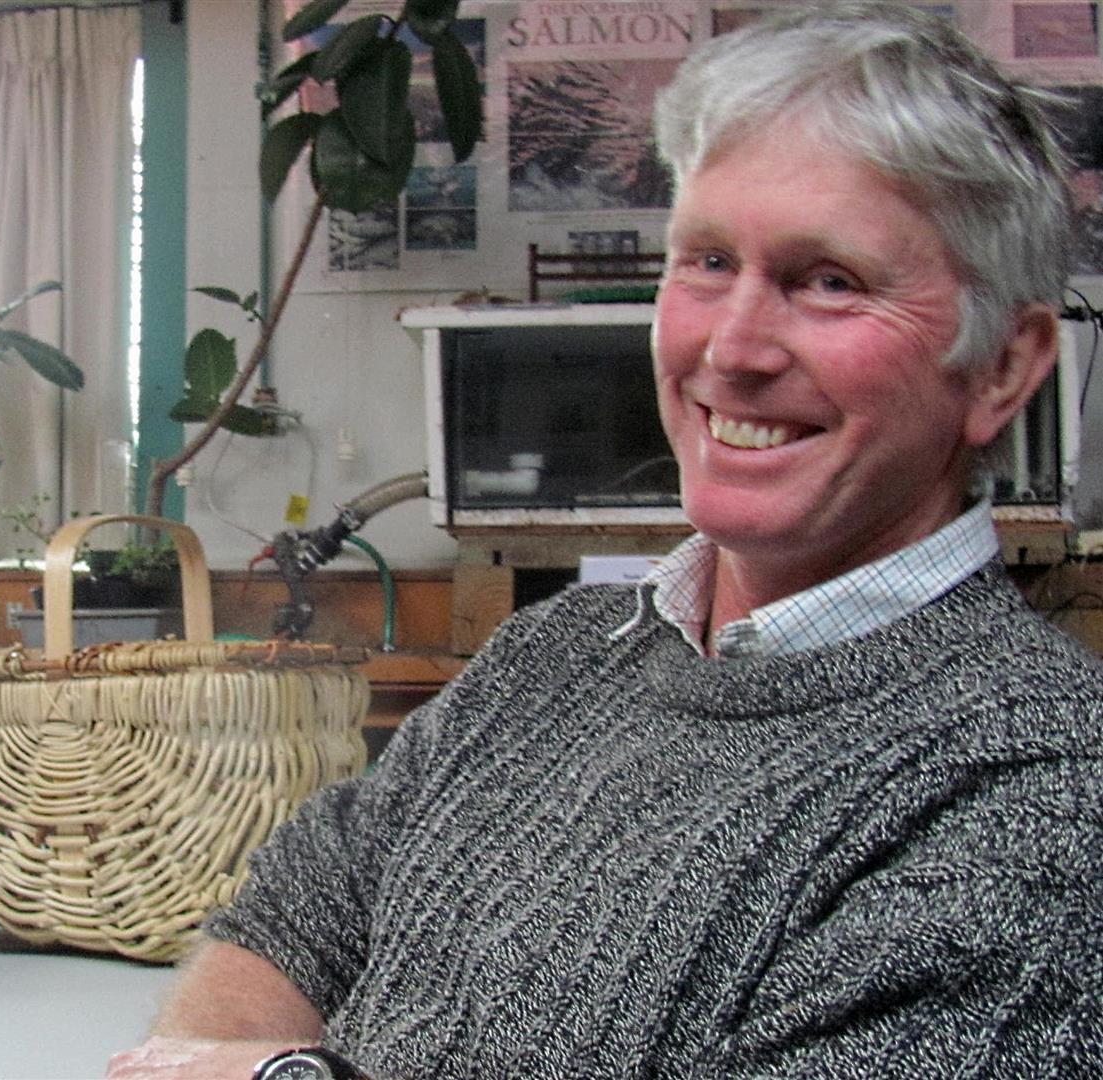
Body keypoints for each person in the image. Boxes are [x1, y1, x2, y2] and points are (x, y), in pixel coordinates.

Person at [108, 3, 1103, 1077]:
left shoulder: (1040, 787)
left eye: (829, 281)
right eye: (707, 260)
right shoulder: (553, 655)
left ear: (1002, 366)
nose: (733, 348)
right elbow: (293, 916)